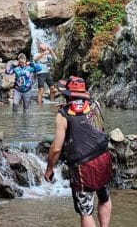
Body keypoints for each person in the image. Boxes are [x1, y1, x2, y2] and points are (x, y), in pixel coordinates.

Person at [44, 76, 112, 227]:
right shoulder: (95, 104)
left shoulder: (63, 115)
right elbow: (86, 116)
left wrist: (49, 169)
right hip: (104, 158)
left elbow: (56, 148)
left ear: (69, 94)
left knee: (86, 211)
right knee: (104, 198)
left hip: (83, 167)